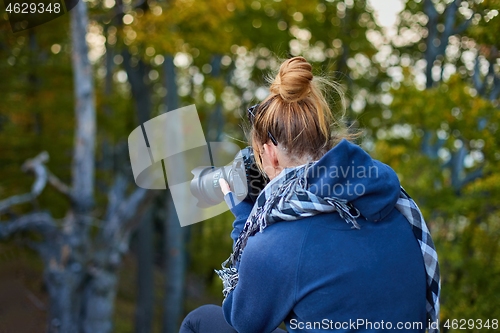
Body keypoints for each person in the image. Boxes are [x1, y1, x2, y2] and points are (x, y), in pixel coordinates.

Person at [180, 56, 440, 333]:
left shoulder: (274, 247)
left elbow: (244, 320)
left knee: (201, 320)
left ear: (271, 154)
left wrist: (246, 223)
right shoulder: (386, 198)